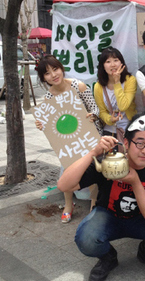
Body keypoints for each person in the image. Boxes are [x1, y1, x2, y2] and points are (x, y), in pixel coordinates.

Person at [57, 115, 145, 280]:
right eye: (139, 143)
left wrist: (135, 182)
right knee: (86, 239)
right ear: (126, 143)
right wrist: (93, 152)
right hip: (109, 215)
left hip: (142, 220)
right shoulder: (109, 163)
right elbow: (64, 185)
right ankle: (108, 257)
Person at [35, 55, 100, 223]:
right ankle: (68, 205)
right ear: (43, 78)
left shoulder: (78, 86)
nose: (53, 75)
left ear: (61, 68)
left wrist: (92, 115)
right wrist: (41, 124)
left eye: (55, 69)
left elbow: (94, 108)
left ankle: (94, 203)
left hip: (88, 135)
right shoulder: (48, 98)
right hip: (68, 140)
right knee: (68, 167)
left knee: (93, 167)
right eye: (47, 73)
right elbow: (50, 124)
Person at [94, 47, 137, 141]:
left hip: (130, 127)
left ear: (122, 63)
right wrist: (110, 119)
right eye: (108, 62)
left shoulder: (130, 80)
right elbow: (101, 111)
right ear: (103, 66)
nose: (113, 65)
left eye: (115, 60)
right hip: (110, 130)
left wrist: (117, 82)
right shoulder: (98, 86)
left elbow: (123, 106)